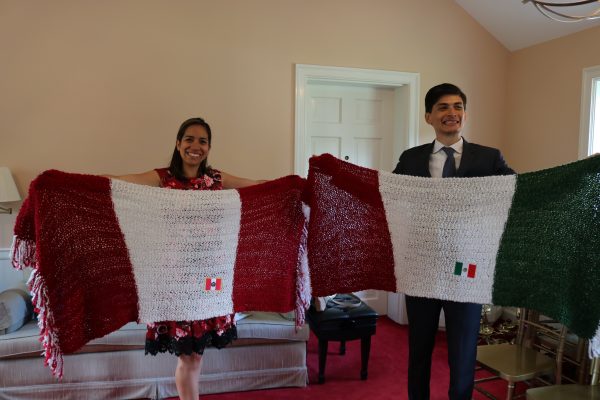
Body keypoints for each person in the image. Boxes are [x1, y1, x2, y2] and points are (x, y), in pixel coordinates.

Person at [106, 117, 263, 400]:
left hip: (211, 279)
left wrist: (295, 185)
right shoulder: (163, 179)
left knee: (196, 355)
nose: (195, 146)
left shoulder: (216, 180)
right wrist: (79, 183)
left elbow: (259, 187)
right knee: (188, 357)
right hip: (176, 281)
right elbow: (118, 183)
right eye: (189, 139)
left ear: (209, 147)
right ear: (178, 144)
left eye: (202, 141)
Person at [392, 83, 515, 400]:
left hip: (467, 266)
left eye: (458, 106)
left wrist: (576, 174)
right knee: (419, 344)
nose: (452, 113)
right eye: (444, 107)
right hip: (421, 266)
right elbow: (386, 197)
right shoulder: (411, 158)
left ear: (465, 114)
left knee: (463, 347)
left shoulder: (489, 158)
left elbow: (518, 191)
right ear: (428, 116)